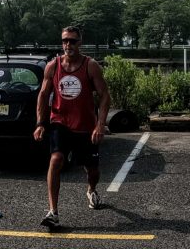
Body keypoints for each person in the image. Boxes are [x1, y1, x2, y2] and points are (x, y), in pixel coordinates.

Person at [33, 25, 111, 229]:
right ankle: (53, 212)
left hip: (86, 127)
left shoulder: (90, 66)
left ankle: (91, 189)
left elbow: (104, 97)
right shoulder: (53, 66)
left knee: (92, 169)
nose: (68, 44)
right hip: (60, 122)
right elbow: (43, 95)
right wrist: (40, 123)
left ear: (80, 43)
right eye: (65, 40)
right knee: (56, 159)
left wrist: (100, 124)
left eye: (72, 41)